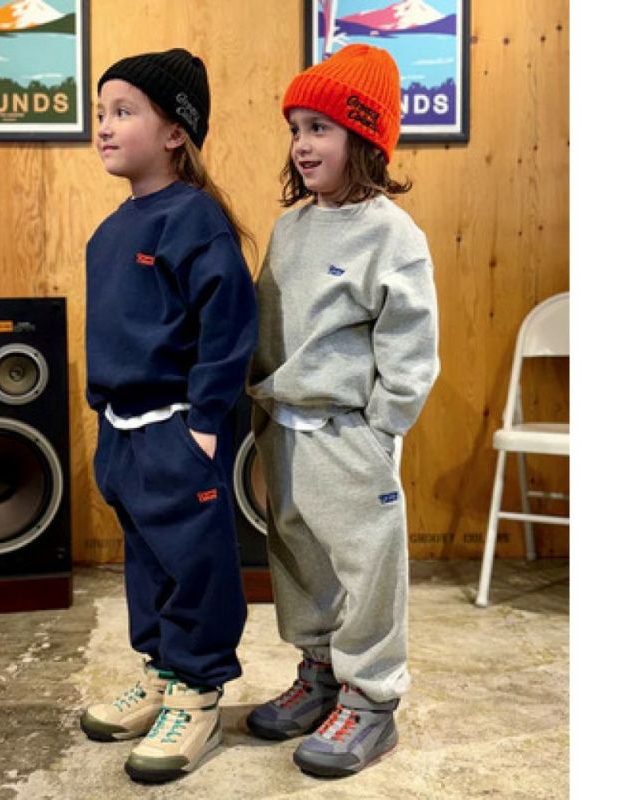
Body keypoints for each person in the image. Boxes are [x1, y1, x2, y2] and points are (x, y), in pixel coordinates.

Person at [246, 44, 440, 778]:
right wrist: (260, 401)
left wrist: (383, 427)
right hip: (283, 431)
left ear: (364, 137)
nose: (301, 144)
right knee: (298, 557)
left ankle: (371, 700)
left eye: (319, 128)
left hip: (348, 433)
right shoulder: (290, 229)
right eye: (295, 128)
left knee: (368, 566)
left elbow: (411, 345)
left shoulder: (392, 235)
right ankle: (320, 673)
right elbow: (269, 325)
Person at [80, 47, 258, 784]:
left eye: (124, 112)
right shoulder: (110, 232)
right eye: (101, 113)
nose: (103, 126)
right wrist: (104, 416)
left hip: (178, 426)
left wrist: (205, 423)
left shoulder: (196, 221)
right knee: (148, 564)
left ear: (176, 132)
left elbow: (229, 325)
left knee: (195, 566)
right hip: (123, 431)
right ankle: (160, 673)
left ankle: (197, 692)